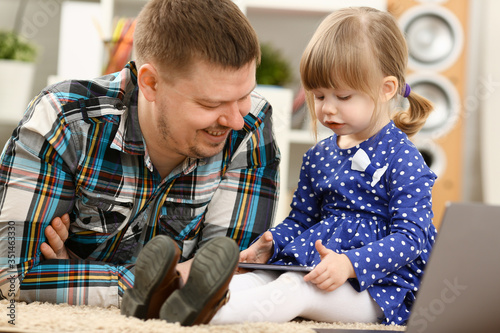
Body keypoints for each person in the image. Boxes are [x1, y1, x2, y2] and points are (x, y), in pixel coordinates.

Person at [0, 0, 279, 315]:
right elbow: (11, 274)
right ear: (151, 83)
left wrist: (70, 271)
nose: (236, 120)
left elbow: (228, 279)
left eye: (243, 96)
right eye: (210, 103)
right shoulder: (66, 120)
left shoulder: (251, 125)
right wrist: (158, 283)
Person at [206, 6, 437, 326]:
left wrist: (351, 264)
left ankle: (203, 319)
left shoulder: (403, 158)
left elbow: (412, 238)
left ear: (387, 89)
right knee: (255, 277)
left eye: (342, 96)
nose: (327, 109)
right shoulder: (319, 155)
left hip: (379, 288)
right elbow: (301, 220)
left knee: (294, 289)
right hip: (315, 267)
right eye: (318, 96)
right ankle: (178, 297)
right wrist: (273, 241)